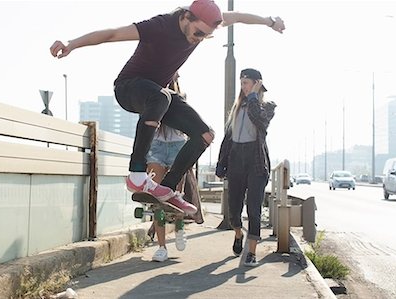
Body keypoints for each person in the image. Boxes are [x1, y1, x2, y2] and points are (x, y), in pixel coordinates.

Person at [50, 0, 285, 216]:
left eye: (206, 36)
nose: (199, 39)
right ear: (186, 17)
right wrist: (71, 44)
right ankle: (137, 173)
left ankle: (167, 190)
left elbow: (239, 16)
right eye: (198, 33)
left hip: (157, 97)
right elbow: (111, 34)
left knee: (205, 134)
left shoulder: (202, 27)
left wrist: (269, 22)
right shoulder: (158, 26)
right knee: (161, 96)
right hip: (128, 89)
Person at [215, 68, 276, 267]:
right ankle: (238, 234)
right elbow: (227, 139)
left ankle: (251, 252)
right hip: (236, 160)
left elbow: (260, 121)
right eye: (241, 83)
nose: (243, 87)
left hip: (256, 161)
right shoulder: (236, 108)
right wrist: (221, 164)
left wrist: (252, 98)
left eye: (247, 83)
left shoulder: (266, 107)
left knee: (254, 208)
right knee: (234, 208)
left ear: (257, 84)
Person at [146, 74, 203, 262]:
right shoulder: (149, 94)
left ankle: (179, 227)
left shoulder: (181, 97)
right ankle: (161, 247)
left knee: (174, 197)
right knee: (156, 199)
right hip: (156, 146)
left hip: (178, 145)